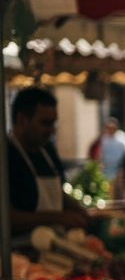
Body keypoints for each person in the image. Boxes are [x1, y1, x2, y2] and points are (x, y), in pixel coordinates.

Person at [5, 87, 88, 233]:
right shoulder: (6, 155)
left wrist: (77, 208)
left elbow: (57, 193)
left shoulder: (48, 151)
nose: (52, 130)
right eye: (45, 123)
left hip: (56, 243)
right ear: (22, 120)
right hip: (19, 248)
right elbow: (8, 217)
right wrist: (59, 218)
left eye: (54, 123)